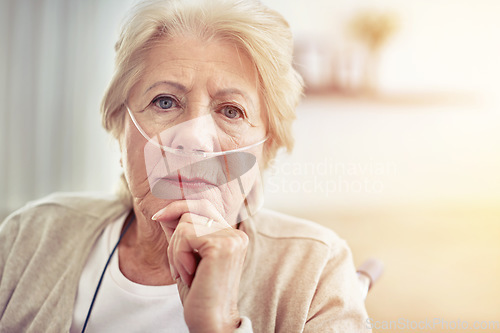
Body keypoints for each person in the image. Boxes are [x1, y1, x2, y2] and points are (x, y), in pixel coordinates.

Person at [0, 0, 370, 332]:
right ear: (119, 127)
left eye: (231, 111)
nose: (193, 137)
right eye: (164, 102)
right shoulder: (29, 235)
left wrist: (220, 326)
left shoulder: (316, 269)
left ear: (266, 147)